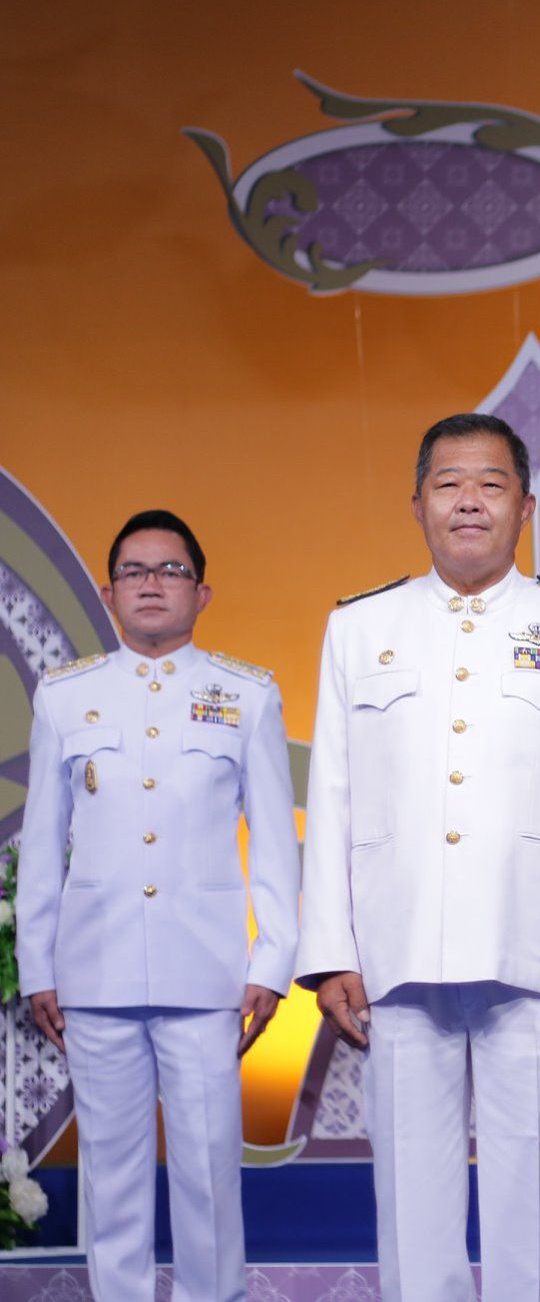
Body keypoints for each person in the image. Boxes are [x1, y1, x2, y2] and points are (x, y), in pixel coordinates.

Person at [294, 413, 540, 1301]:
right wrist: (329, 951)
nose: (469, 501)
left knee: (539, 1187)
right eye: (448, 483)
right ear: (417, 504)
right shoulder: (358, 626)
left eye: (491, 483)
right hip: (397, 948)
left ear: (526, 506)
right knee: (412, 1193)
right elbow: (331, 794)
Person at [16, 509, 298, 1302]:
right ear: (108, 593)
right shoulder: (66, 697)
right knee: (111, 1176)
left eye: (171, 570)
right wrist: (38, 964)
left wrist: (272, 961)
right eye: (134, 571)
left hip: (207, 974)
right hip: (95, 970)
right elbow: (43, 840)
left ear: (202, 593)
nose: (151, 583)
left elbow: (276, 843)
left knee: (209, 1172)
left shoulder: (246, 695)